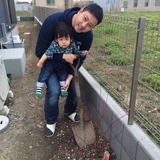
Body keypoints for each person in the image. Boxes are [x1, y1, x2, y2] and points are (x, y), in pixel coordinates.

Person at [35, 3, 103, 137]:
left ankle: (69, 111)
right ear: (81, 11)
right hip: (50, 66)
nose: (84, 25)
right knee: (54, 91)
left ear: (94, 27)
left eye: (90, 25)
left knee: (73, 89)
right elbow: (39, 51)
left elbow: (80, 59)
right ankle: (51, 120)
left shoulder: (87, 37)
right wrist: (64, 56)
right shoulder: (53, 21)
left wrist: (70, 76)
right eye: (85, 18)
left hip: (67, 69)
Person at [36, 22, 88, 98]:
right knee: (45, 73)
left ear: (71, 39)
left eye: (66, 39)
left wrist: (82, 53)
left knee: (63, 76)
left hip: (63, 65)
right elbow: (47, 53)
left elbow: (76, 51)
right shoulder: (54, 45)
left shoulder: (71, 45)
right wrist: (40, 62)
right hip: (51, 64)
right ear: (56, 39)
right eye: (61, 39)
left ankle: (63, 90)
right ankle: (39, 88)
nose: (64, 42)